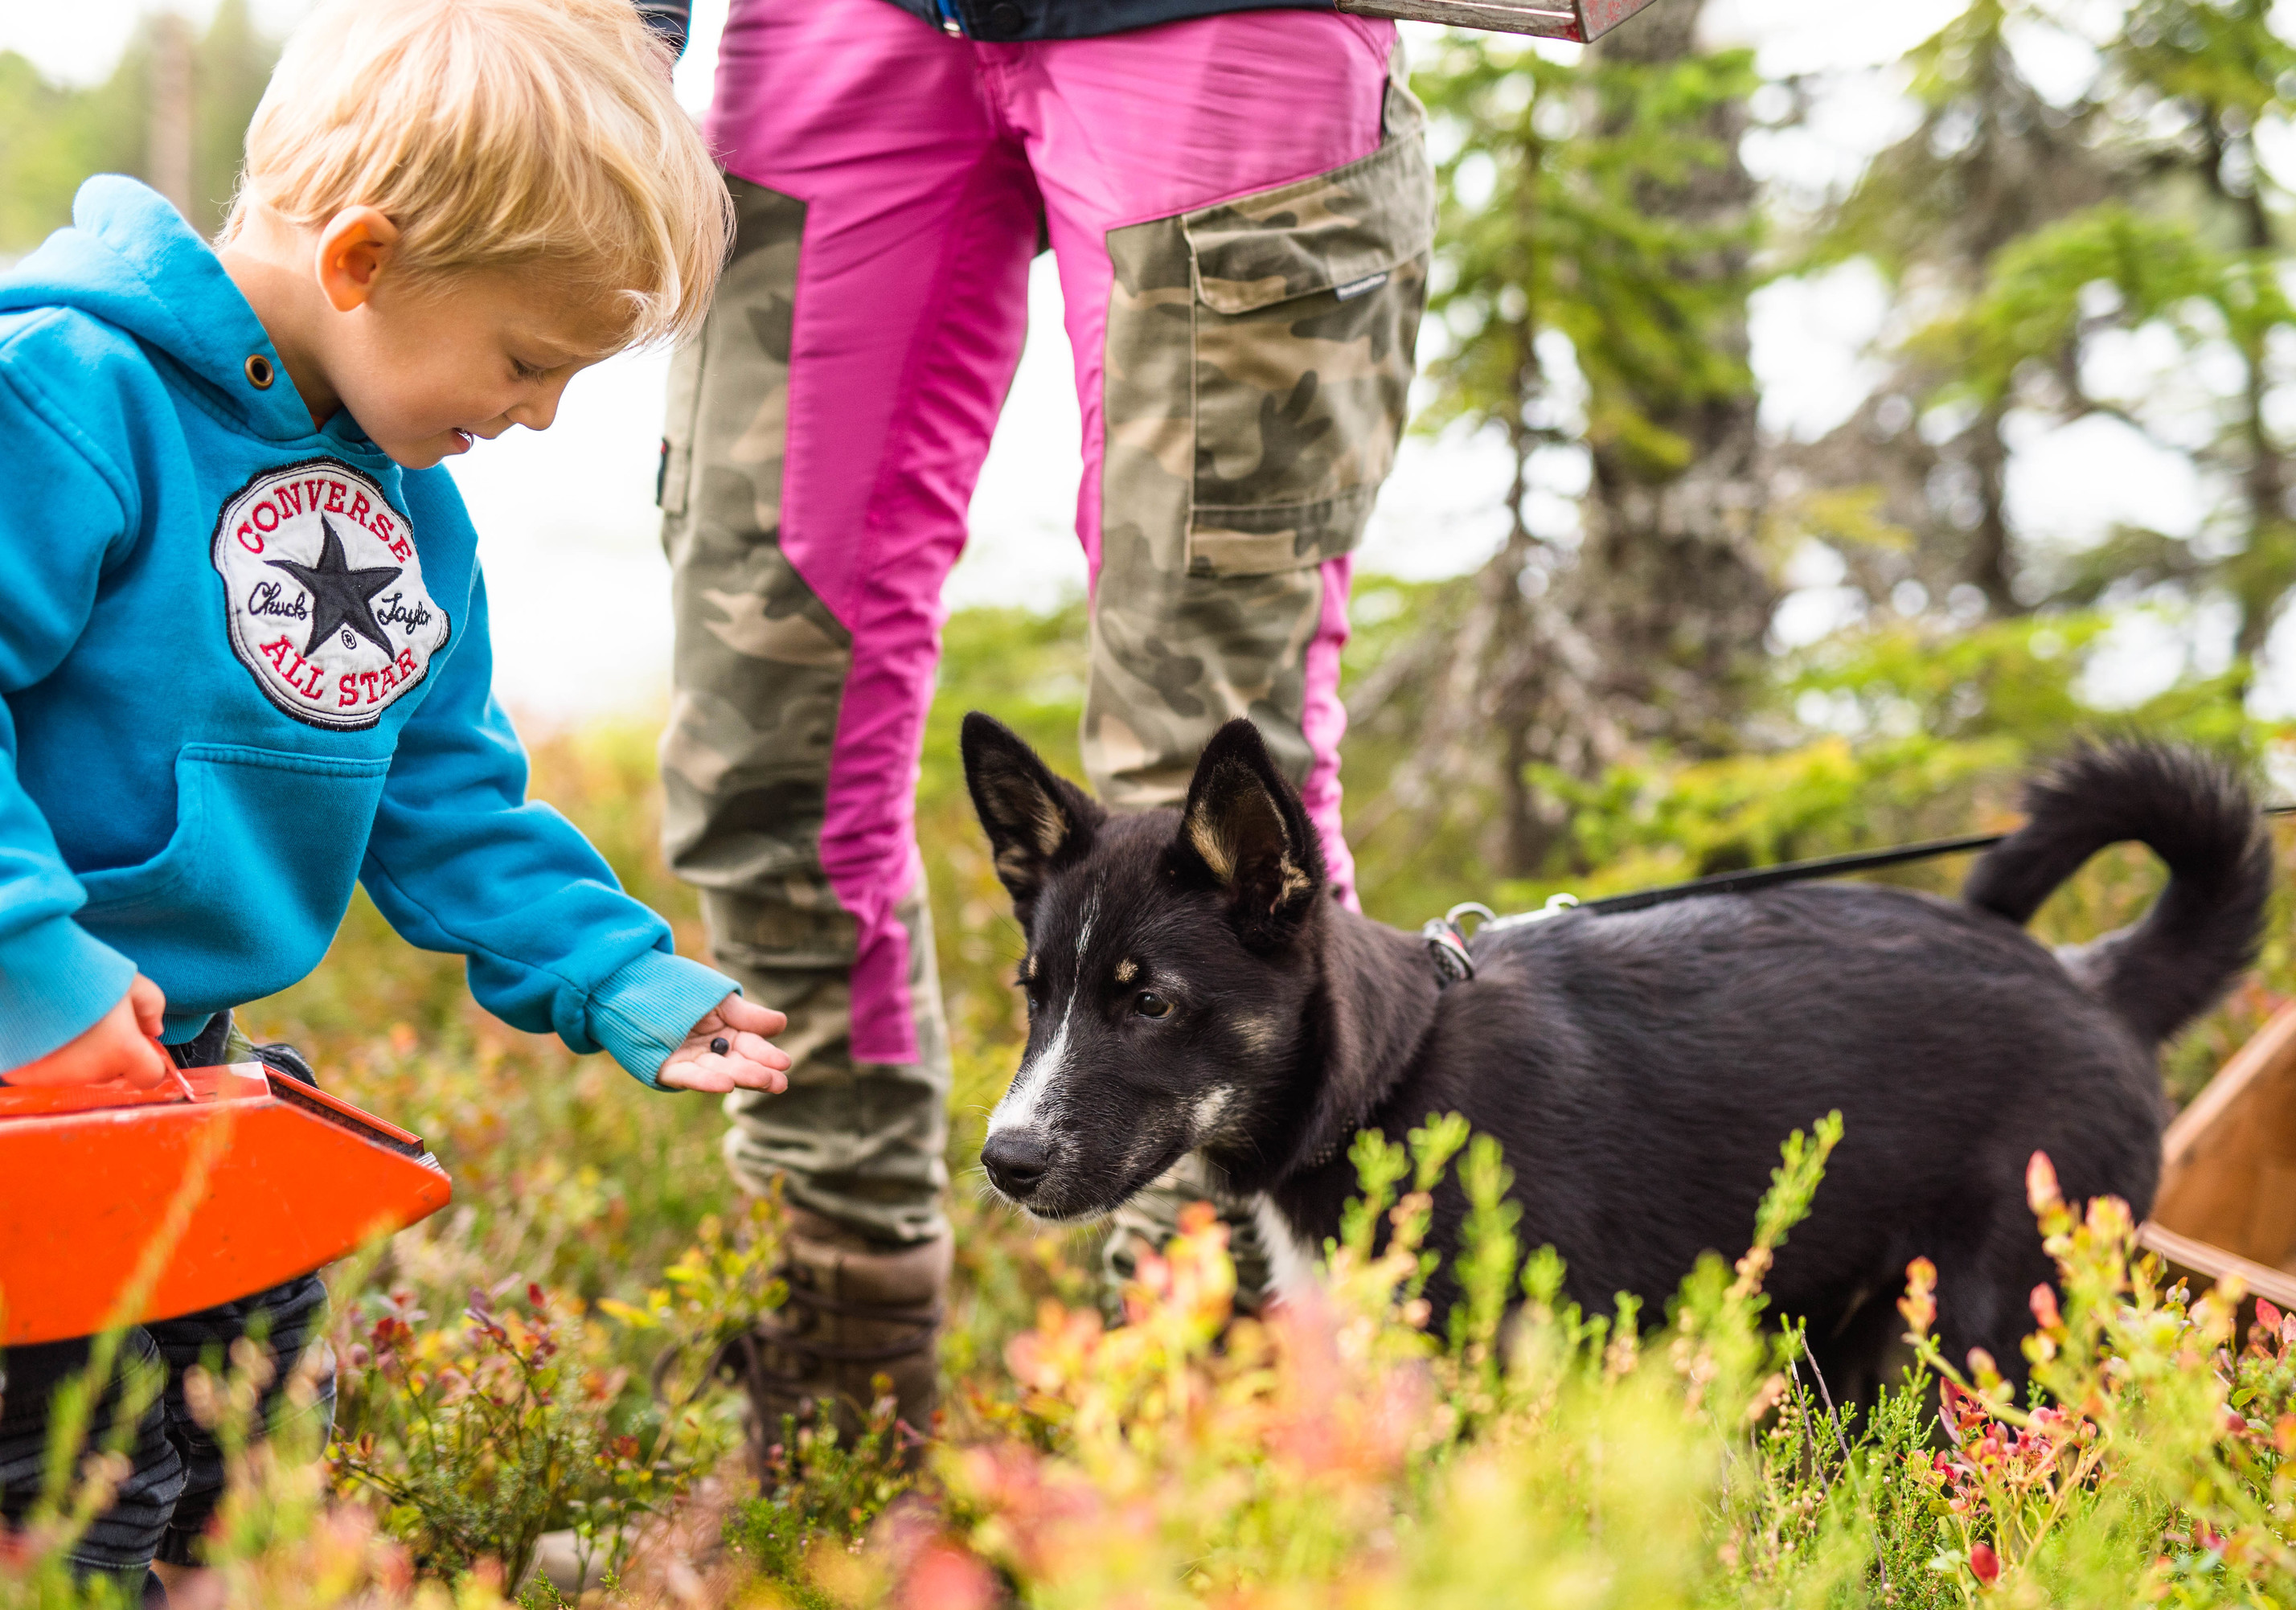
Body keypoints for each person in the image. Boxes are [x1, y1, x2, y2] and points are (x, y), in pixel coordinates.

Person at [0, 0, 788, 1599]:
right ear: (363, 260)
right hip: (18, 1092)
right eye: (527, 358)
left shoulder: (410, 509)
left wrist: (616, 971)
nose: (543, 412)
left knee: (253, 1456)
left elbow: (444, 788)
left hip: (180, 1079)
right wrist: (33, 971)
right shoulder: (63, 395)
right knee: (73, 1499)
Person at [639, 0, 1434, 1442]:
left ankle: (1200, 1437)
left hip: (1222, 28)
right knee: (767, 754)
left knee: (1214, 794)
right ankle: (836, 1426)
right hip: (830, 32)